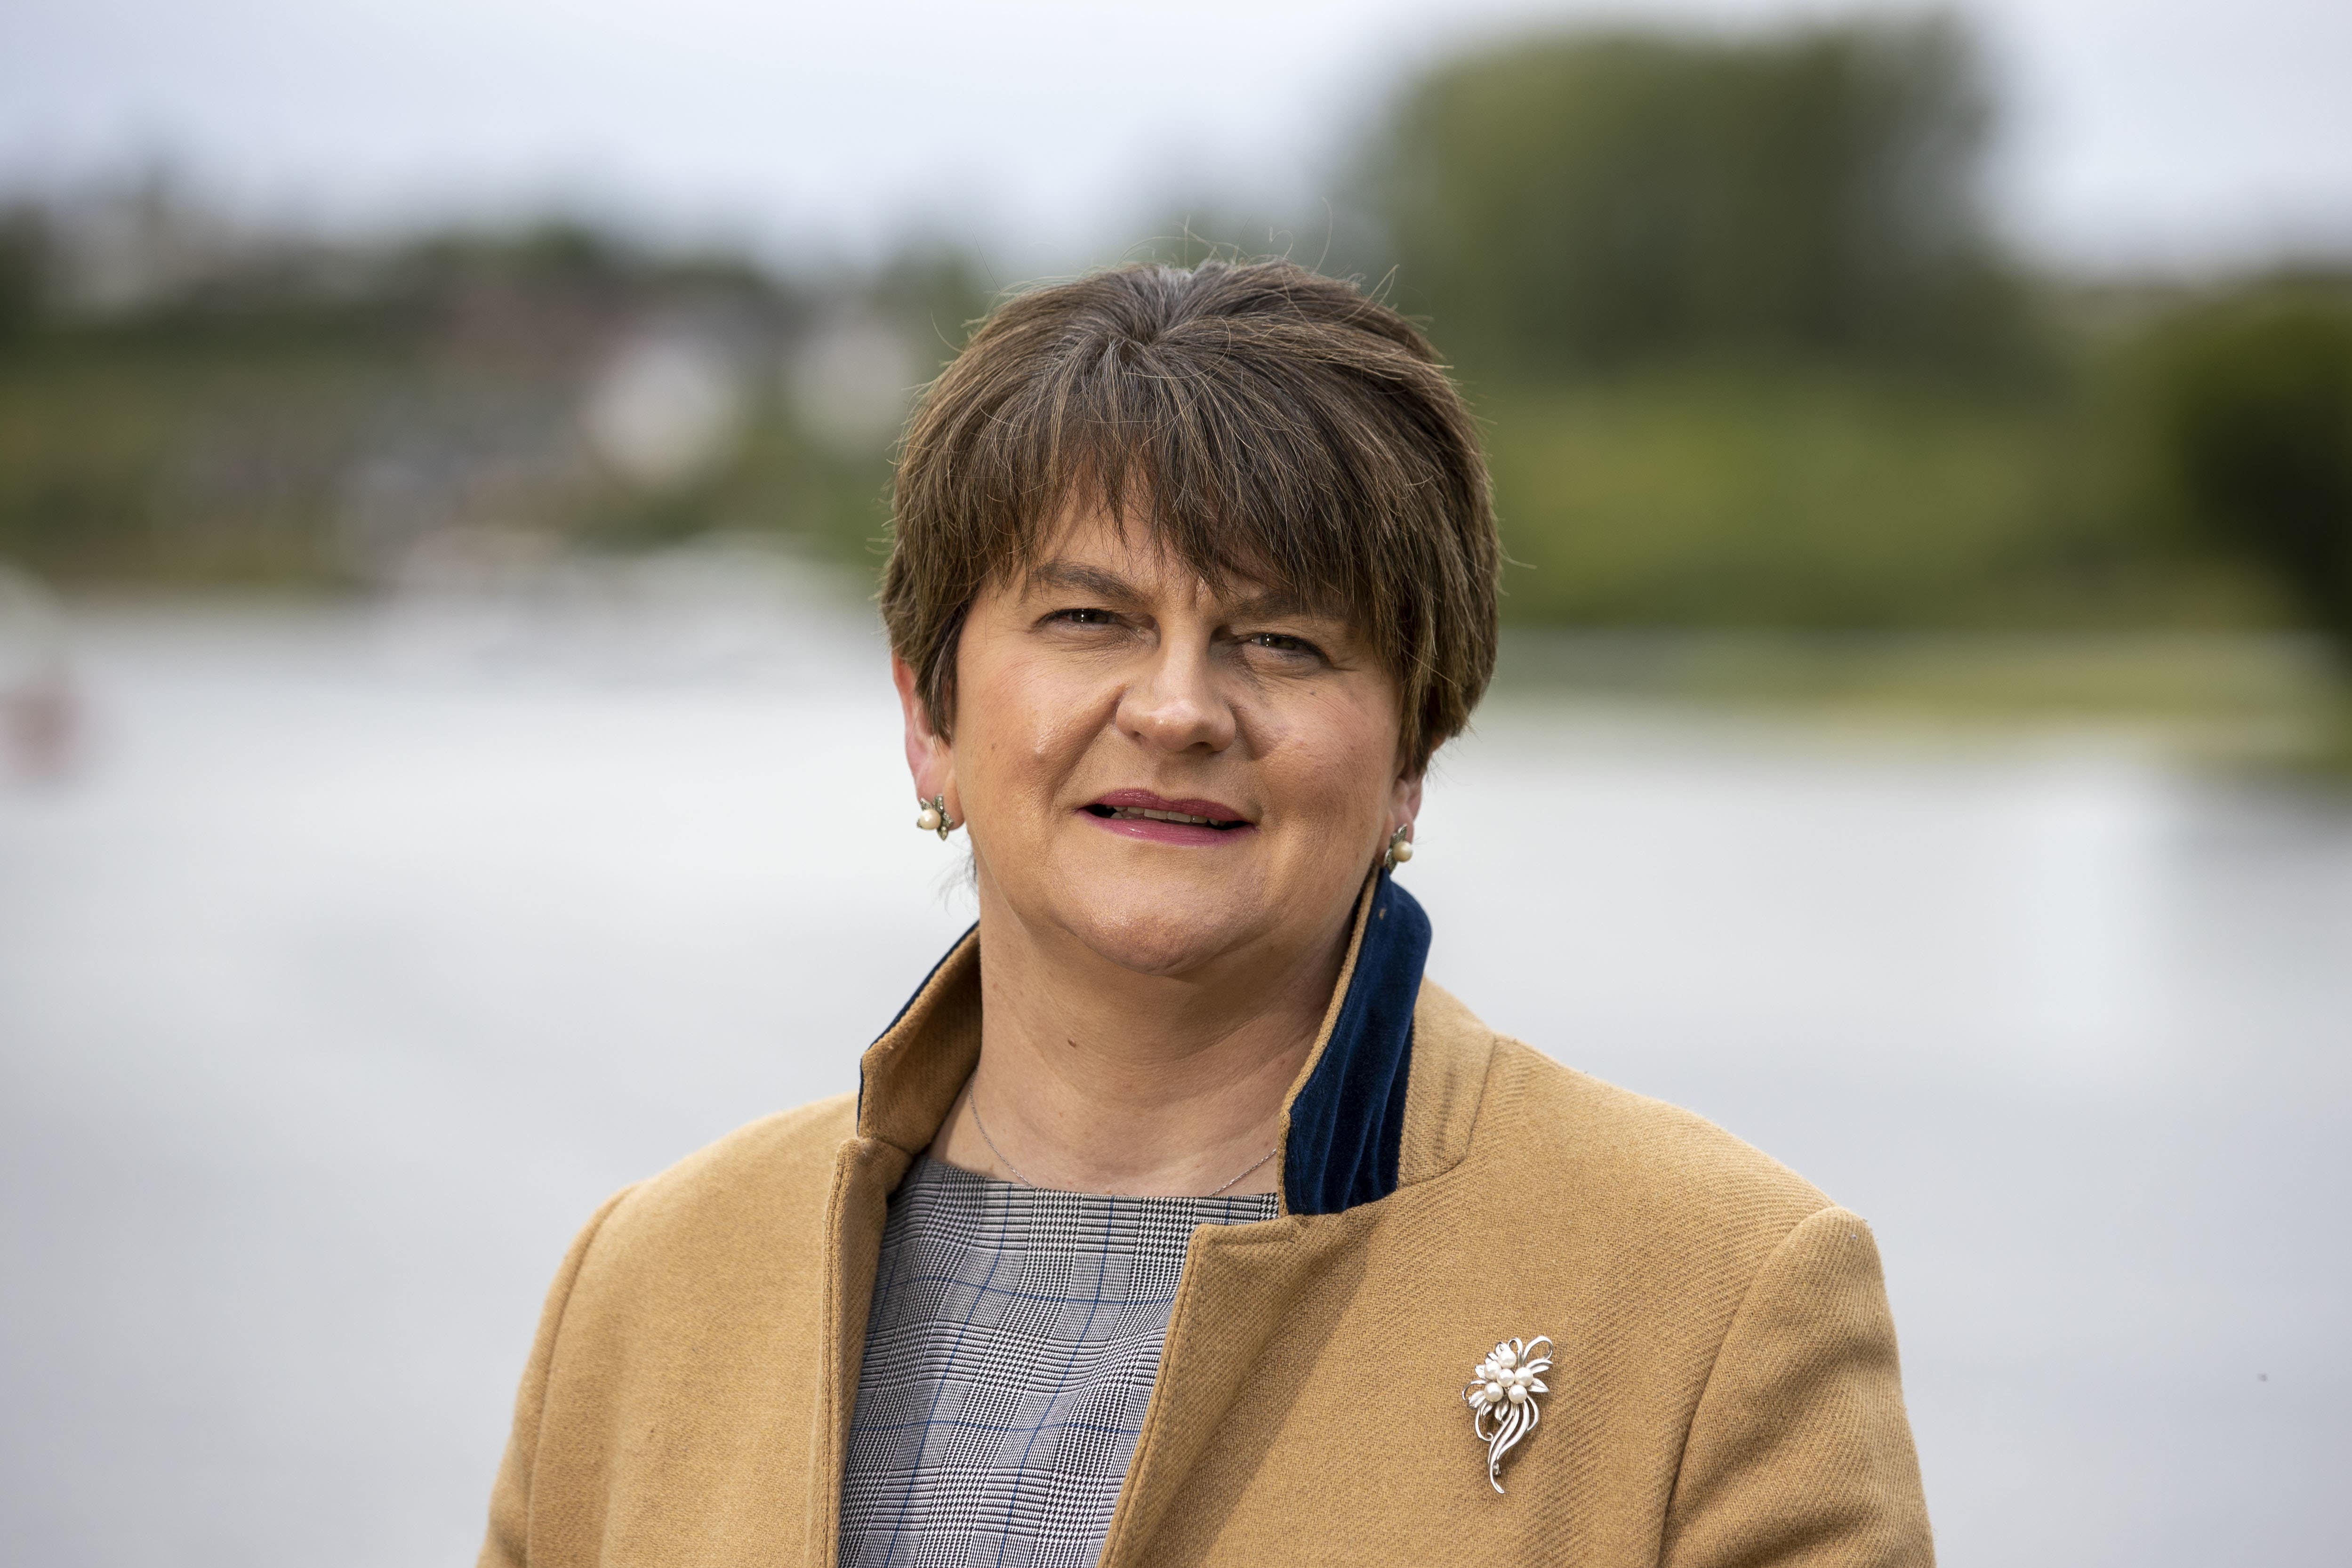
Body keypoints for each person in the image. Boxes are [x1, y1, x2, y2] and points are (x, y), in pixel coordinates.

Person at [477, 260, 1933, 1567]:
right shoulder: (647, 1283)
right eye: (1089, 619)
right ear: (928, 709)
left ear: (1413, 752)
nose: (1178, 708)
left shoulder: (1717, 1299)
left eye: (1282, 641)